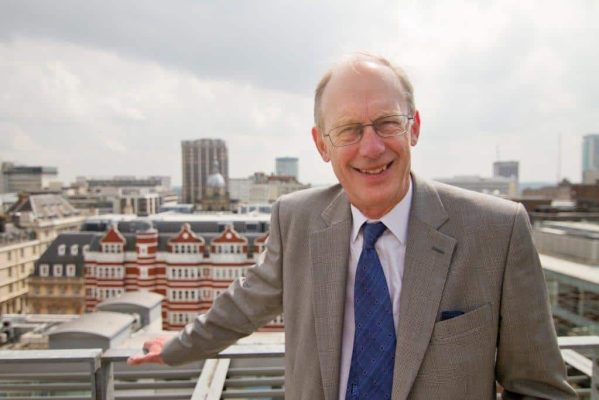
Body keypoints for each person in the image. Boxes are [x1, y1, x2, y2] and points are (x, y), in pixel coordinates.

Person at [128, 53, 576, 399]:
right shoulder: (296, 219)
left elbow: (540, 387)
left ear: (414, 127)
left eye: (387, 123)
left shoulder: (496, 231)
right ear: (322, 144)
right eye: (348, 131)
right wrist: (176, 346)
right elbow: (246, 304)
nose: (371, 147)